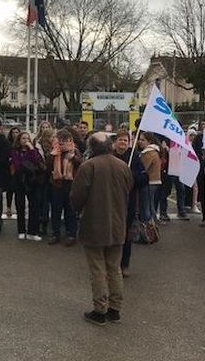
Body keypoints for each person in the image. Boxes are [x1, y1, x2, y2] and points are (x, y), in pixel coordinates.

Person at [70, 132, 133, 326]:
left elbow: (77, 196)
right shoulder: (123, 166)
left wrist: (78, 210)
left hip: (94, 224)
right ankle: (115, 309)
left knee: (97, 269)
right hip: (118, 224)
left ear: (92, 147)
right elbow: (129, 190)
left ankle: (100, 310)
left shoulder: (88, 166)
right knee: (114, 268)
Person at [112, 129, 139, 278]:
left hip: (128, 201)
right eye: (120, 140)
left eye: (126, 140)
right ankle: (111, 264)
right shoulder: (109, 156)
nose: (123, 143)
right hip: (111, 202)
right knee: (111, 233)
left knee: (126, 235)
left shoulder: (134, 157)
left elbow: (144, 178)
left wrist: (130, 175)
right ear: (115, 141)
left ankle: (124, 264)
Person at [49, 129, 83, 246]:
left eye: (66, 140)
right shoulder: (55, 151)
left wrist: (72, 158)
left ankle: (71, 234)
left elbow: (81, 164)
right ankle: (55, 233)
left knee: (71, 211)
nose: (63, 143)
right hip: (57, 184)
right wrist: (53, 154)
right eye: (61, 141)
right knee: (56, 211)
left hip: (71, 185)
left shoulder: (75, 151)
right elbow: (48, 166)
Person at [11, 131, 43, 241]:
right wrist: (26, 164)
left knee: (34, 206)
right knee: (20, 206)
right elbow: (17, 165)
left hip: (32, 181)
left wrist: (32, 150)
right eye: (23, 138)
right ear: (19, 140)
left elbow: (35, 162)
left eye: (27, 138)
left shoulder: (33, 151)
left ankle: (32, 231)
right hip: (20, 181)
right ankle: (21, 230)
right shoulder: (15, 151)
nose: (25, 140)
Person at [34, 121, 55, 235]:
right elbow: (37, 160)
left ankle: (46, 222)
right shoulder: (37, 144)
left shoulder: (55, 147)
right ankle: (42, 223)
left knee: (48, 202)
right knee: (42, 201)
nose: (53, 138)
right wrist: (45, 168)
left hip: (52, 178)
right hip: (41, 177)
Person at [138, 132, 161, 225]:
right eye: (139, 139)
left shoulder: (148, 153)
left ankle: (149, 224)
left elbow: (143, 168)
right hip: (155, 181)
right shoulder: (154, 152)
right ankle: (153, 221)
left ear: (149, 141)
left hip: (150, 181)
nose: (140, 142)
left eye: (143, 140)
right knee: (150, 204)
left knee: (147, 205)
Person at [5, 127, 22, 219]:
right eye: (13, 132)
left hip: (18, 171)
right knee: (9, 190)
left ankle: (18, 208)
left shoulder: (21, 145)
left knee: (18, 192)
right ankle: (8, 207)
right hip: (9, 170)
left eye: (17, 132)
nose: (15, 134)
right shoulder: (8, 144)